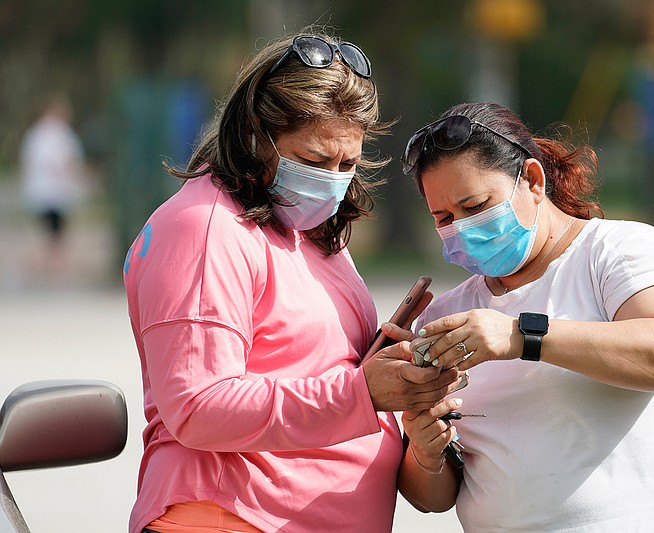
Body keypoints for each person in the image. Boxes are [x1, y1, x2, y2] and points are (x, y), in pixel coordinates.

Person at [123, 32, 459, 533]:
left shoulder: (305, 226)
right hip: (230, 517)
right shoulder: (205, 227)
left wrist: (393, 378)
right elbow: (197, 406)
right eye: (315, 160)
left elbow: (312, 365)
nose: (333, 179)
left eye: (347, 164)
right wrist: (362, 393)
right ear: (255, 135)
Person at [396, 102, 654, 532]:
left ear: (533, 181)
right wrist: (426, 451)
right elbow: (431, 499)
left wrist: (521, 336)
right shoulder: (450, 314)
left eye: (477, 206)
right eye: (443, 217)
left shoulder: (618, 253)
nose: (461, 228)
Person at [18, 94, 86, 275]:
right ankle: (53, 261)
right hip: (51, 189)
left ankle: (50, 261)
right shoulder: (51, 134)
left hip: (50, 189)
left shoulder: (39, 133)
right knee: (54, 227)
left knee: (52, 227)